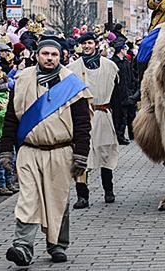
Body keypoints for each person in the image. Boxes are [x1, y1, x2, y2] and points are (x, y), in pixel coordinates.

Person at [0, 39, 92, 266]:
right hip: (29, 151)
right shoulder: (22, 80)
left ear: (61, 56)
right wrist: (5, 151)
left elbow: (82, 124)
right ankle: (23, 246)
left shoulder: (72, 83)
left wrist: (81, 155)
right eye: (45, 54)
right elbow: (11, 118)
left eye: (54, 54)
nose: (49, 58)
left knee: (58, 199)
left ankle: (57, 245)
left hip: (60, 151)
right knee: (28, 199)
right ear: (37, 55)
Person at [68, 32, 120, 208]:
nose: (87, 46)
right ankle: (82, 195)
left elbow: (119, 96)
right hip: (83, 116)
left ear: (96, 45)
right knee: (82, 154)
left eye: (90, 43)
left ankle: (108, 190)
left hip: (103, 113)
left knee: (106, 153)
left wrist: (120, 123)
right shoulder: (73, 68)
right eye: (84, 44)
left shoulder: (109, 66)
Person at [109, 37, 136, 145]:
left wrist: (133, 89)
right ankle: (120, 136)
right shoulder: (113, 63)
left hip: (128, 92)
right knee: (120, 116)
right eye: (124, 48)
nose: (126, 50)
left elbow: (131, 77)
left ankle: (132, 134)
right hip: (118, 94)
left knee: (131, 115)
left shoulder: (126, 61)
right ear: (121, 49)